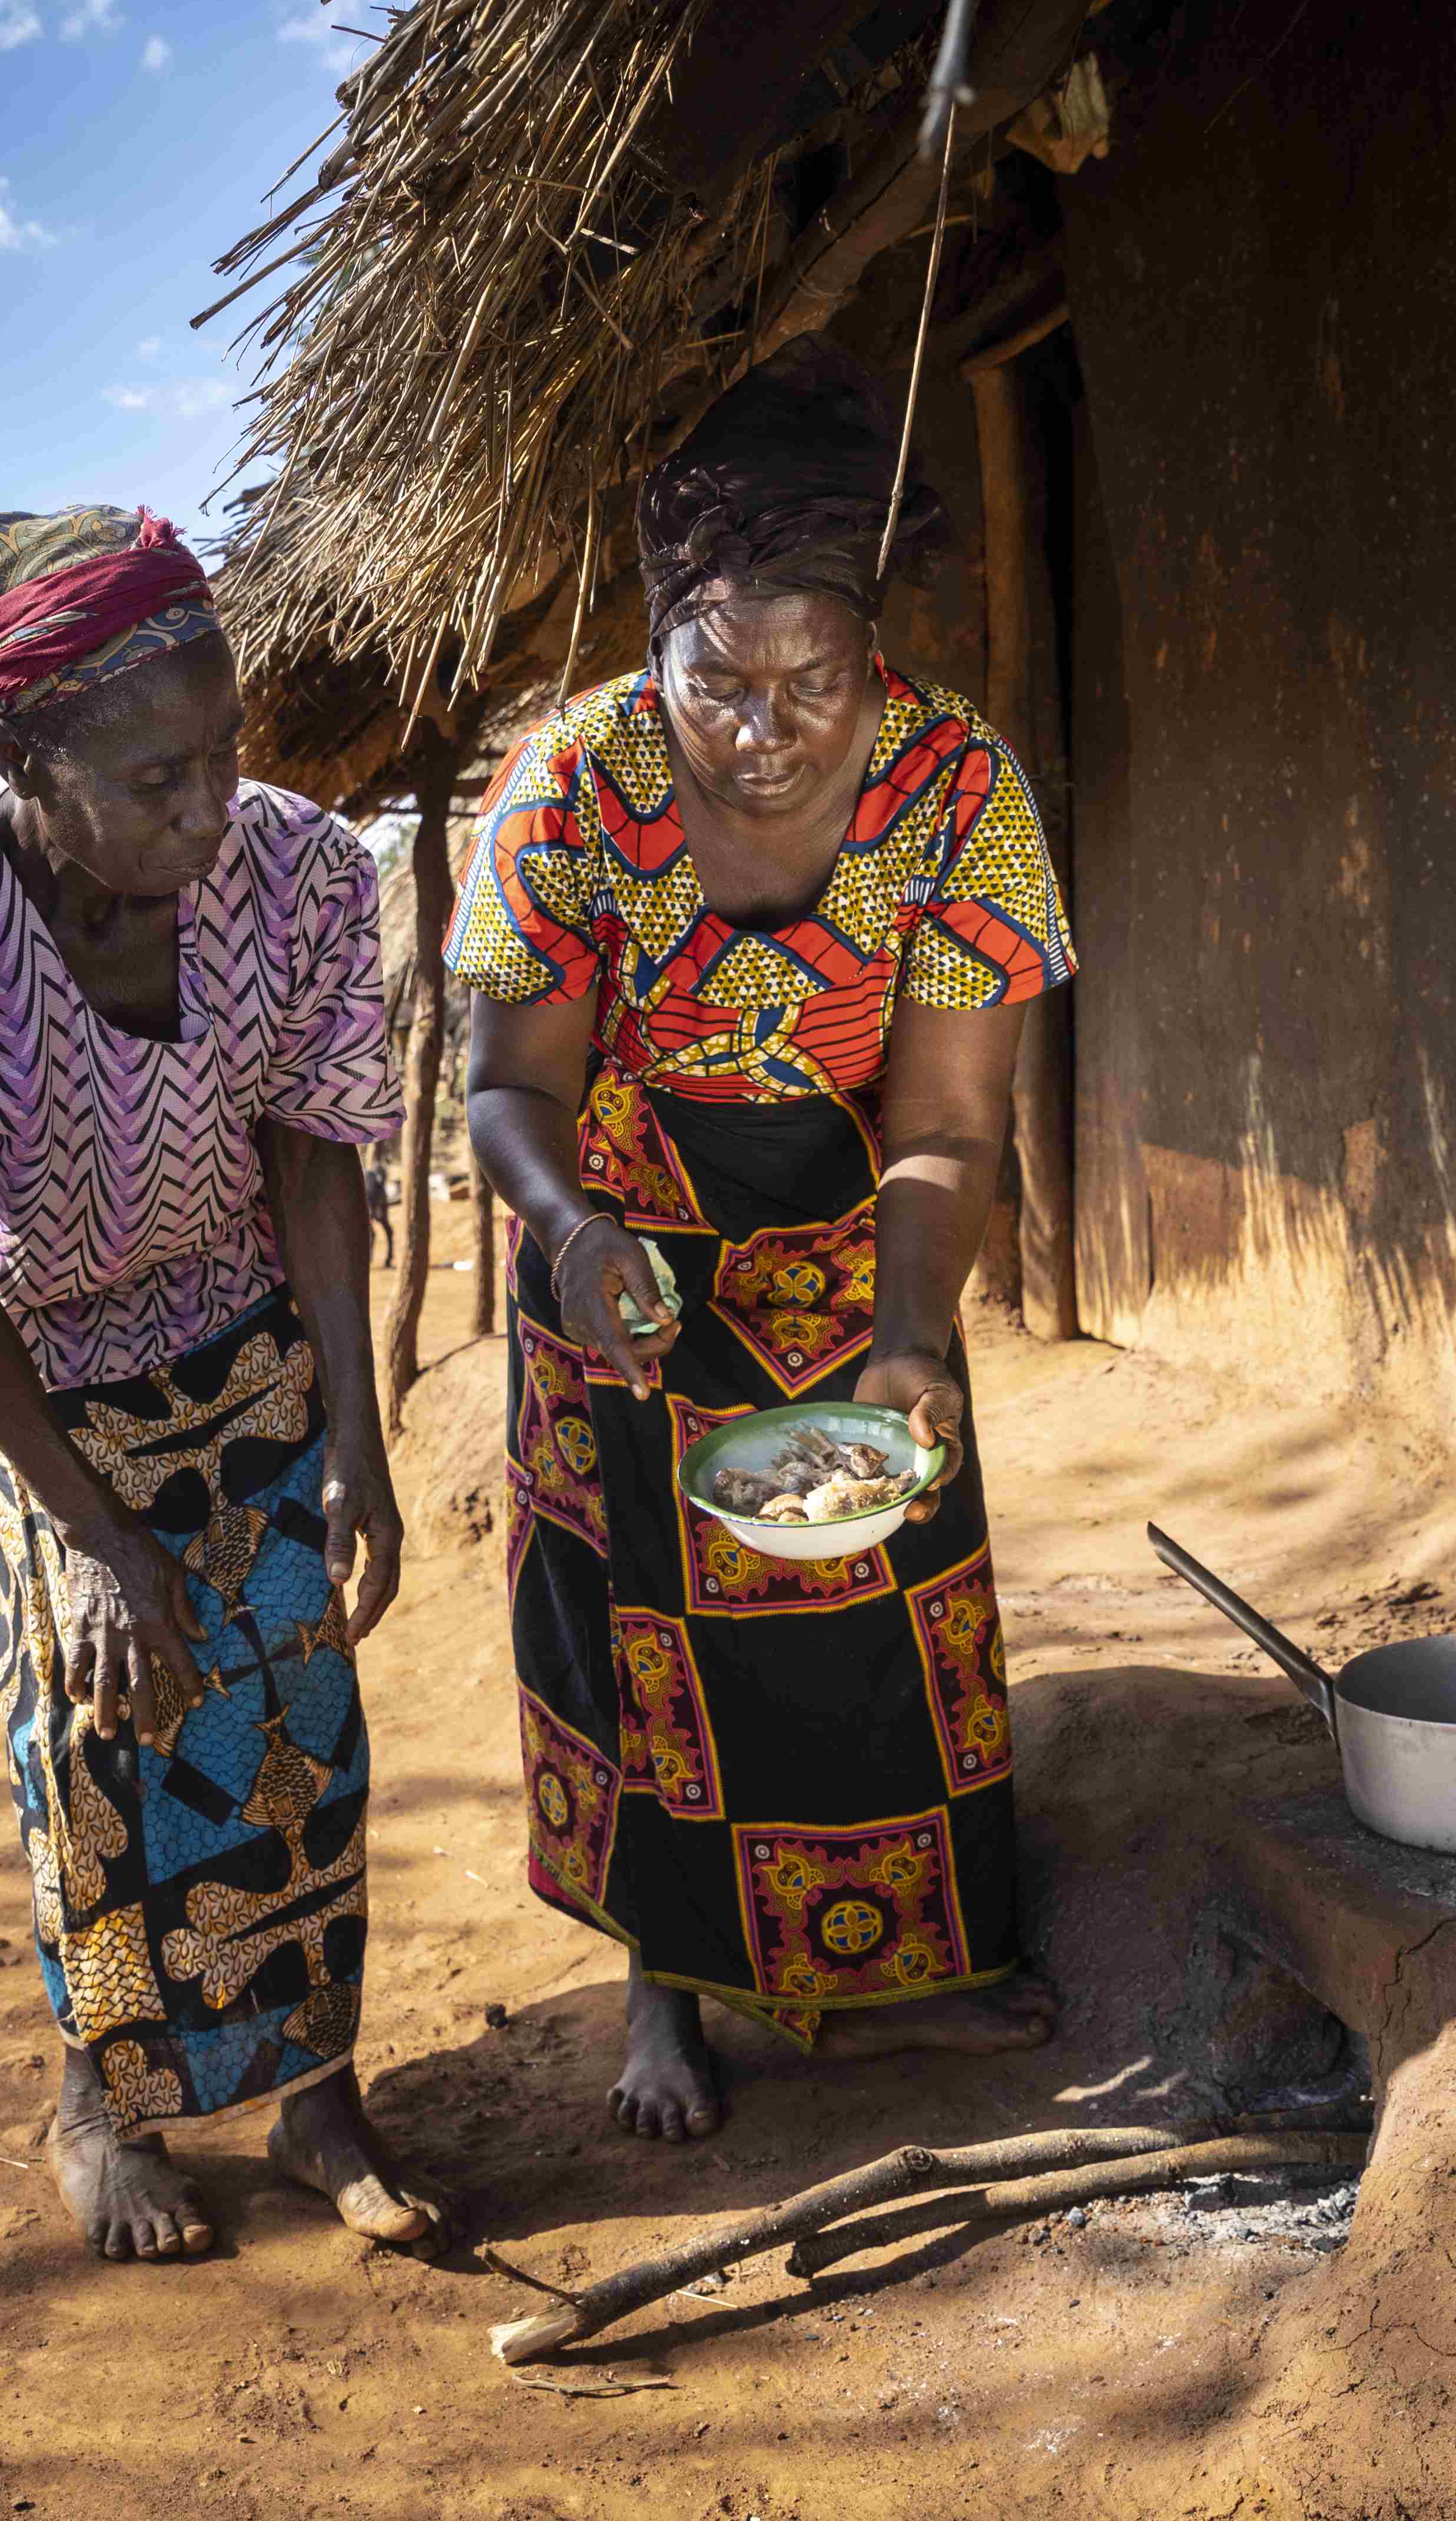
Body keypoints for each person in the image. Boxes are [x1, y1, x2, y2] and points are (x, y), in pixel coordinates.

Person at [451, 336, 1075, 2143]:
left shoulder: (959, 791)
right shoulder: (567, 792)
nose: (767, 720)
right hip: (619, 1231)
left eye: (817, 676)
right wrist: (570, 1245)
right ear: (660, 640)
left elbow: (949, 1123)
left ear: (868, 649)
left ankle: (899, 1972)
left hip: (862, 1231)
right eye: (720, 675)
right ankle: (667, 1986)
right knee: (644, 1608)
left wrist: (900, 1342)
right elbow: (510, 1089)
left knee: (884, 1582)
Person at [0, 504, 447, 2263]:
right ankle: (106, 2096)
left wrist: (356, 1444)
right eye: (156, 774)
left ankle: (321, 2091)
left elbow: (319, 1161)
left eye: (225, 749)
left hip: (245, 1322)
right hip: (32, 1361)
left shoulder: (301, 871)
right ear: (22, 754)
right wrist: (87, 1532)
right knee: (98, 1715)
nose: (207, 804)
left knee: (295, 1702)